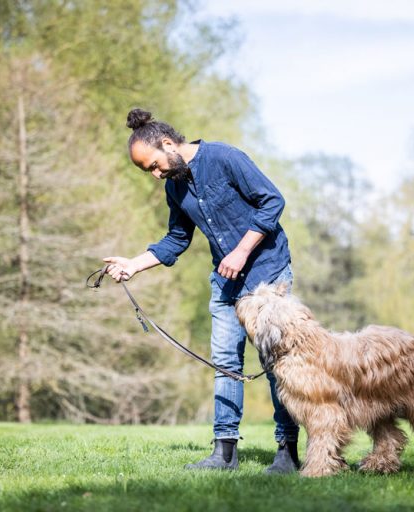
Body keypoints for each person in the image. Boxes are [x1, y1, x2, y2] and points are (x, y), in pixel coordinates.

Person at [103, 109, 300, 473]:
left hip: (268, 274)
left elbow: (272, 200)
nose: (156, 174)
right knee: (225, 364)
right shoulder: (174, 188)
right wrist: (132, 264)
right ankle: (224, 455)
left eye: (154, 166)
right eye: (149, 171)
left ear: (167, 144)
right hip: (225, 283)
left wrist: (241, 251)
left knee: (276, 364)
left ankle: (287, 452)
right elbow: (176, 239)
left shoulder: (225, 158)